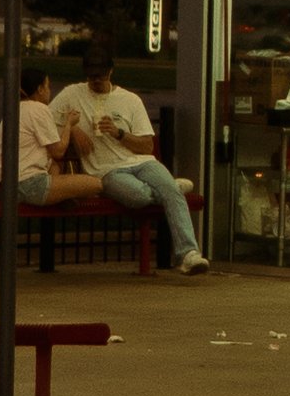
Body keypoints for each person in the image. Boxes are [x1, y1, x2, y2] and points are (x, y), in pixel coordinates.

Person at [50, 40, 210, 271]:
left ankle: (188, 253)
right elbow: (46, 119)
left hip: (141, 162)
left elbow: (147, 146)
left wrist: (118, 133)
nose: (96, 80)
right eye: (91, 75)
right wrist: (73, 129)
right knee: (140, 197)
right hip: (105, 170)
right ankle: (169, 189)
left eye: (101, 75)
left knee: (166, 189)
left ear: (111, 71)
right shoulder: (72, 94)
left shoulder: (130, 100)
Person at [0, 66, 103, 211]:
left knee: (54, 166)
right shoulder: (39, 109)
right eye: (48, 86)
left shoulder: (16, 108)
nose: (49, 91)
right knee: (96, 184)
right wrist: (69, 124)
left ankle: (60, 198)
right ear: (40, 89)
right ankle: (63, 197)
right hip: (23, 185)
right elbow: (58, 151)